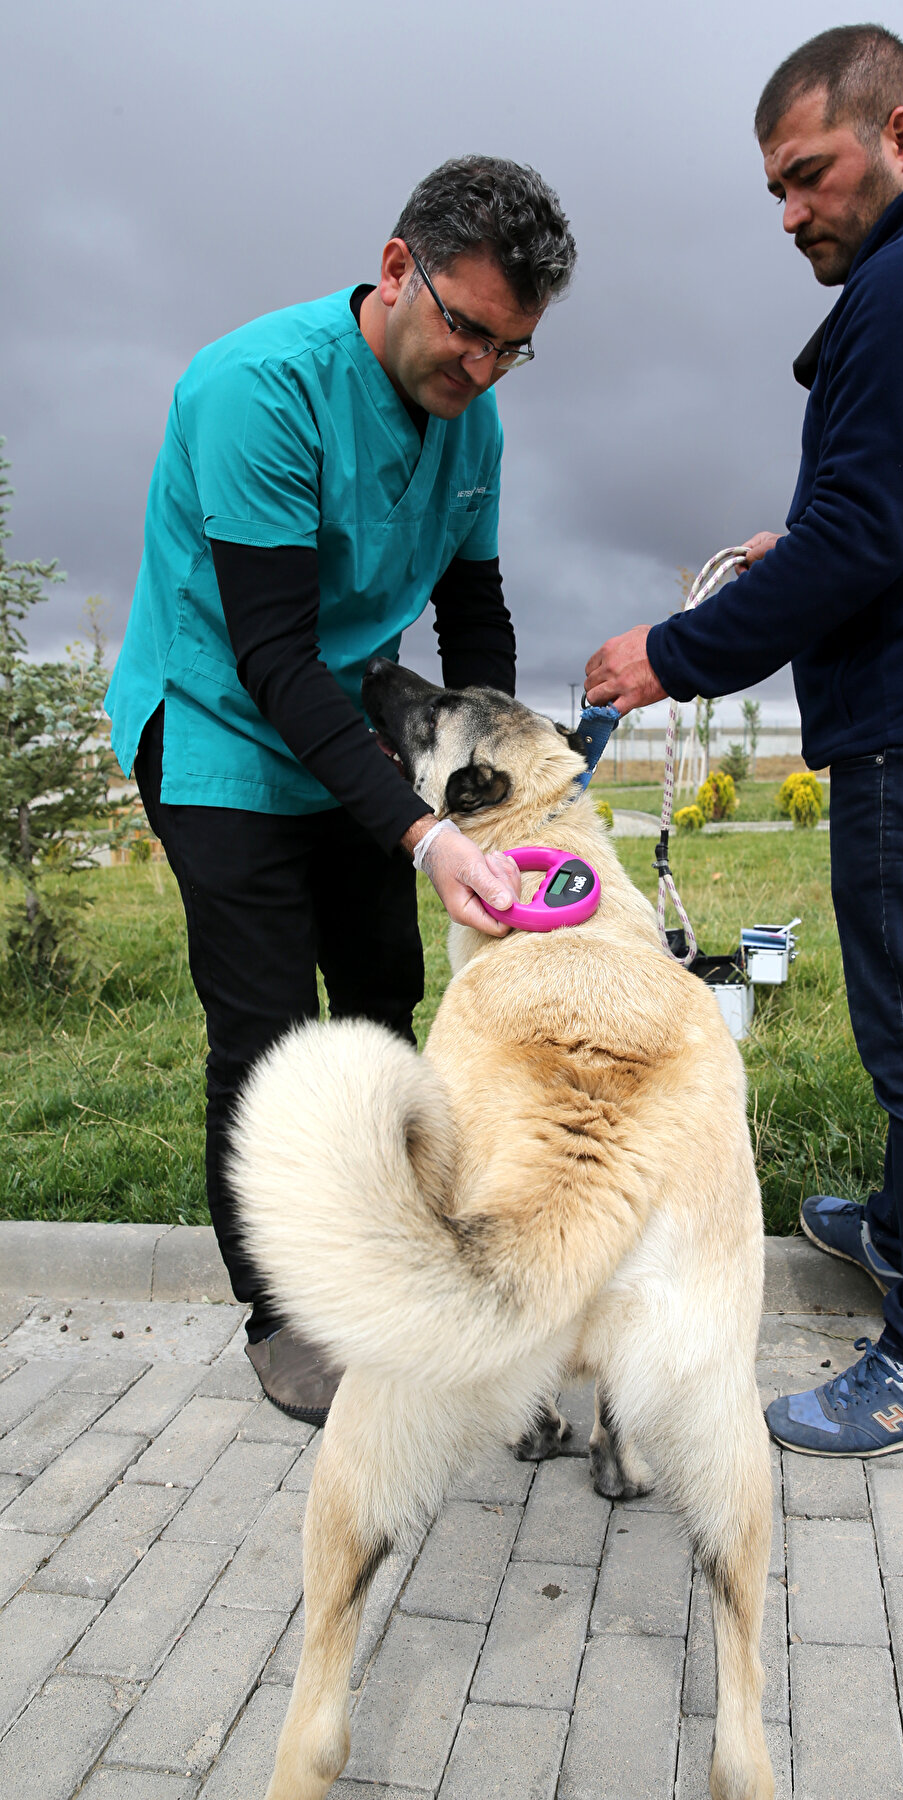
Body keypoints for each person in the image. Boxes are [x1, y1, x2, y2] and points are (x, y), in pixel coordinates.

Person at [584, 26, 903, 1457]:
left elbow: (868, 539)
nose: (792, 211)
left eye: (811, 174)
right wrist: (790, 542)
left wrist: (666, 658)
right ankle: (900, 1230)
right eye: (775, 192)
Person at [106, 157, 577, 1422]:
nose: (478, 370)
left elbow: (472, 607)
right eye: (466, 329)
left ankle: (388, 1274)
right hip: (216, 725)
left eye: (510, 349)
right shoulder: (257, 390)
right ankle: (286, 1315)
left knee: (379, 1002)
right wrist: (421, 831)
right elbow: (267, 654)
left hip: (349, 729)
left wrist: (489, 795)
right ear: (394, 270)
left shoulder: (473, 417)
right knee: (267, 1036)